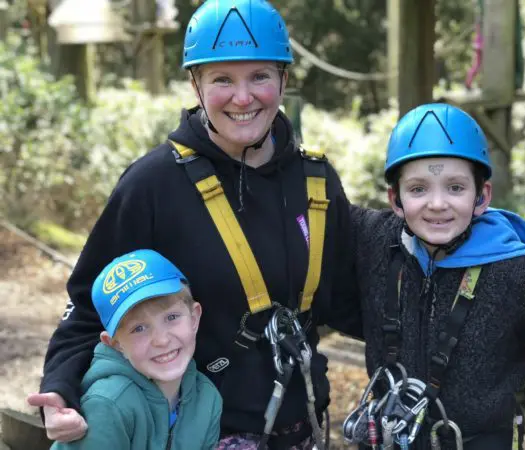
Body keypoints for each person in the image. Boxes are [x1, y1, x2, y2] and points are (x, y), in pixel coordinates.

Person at [27, 1, 361, 449]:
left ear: (283, 79)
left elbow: (343, 299)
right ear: (196, 84)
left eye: (259, 76)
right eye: (222, 79)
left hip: (303, 425)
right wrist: (61, 387)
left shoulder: (315, 182)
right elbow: (90, 304)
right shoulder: (154, 185)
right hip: (203, 432)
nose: (243, 98)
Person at [349, 103, 525, 449]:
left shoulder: (514, 269)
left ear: (482, 196)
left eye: (455, 188)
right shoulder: (376, 243)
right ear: (395, 200)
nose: (437, 204)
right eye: (418, 189)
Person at [50, 249, 222, 450]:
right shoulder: (108, 404)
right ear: (115, 344)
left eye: (171, 317)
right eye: (138, 328)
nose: (161, 340)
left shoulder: (207, 398)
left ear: (194, 318)